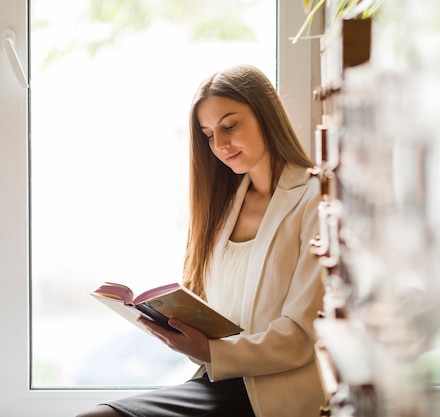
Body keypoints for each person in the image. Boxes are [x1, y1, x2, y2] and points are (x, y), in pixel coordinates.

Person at [77, 64, 325, 417]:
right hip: (219, 380)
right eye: (209, 134)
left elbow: (299, 338)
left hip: (274, 391)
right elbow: (217, 318)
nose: (220, 144)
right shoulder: (223, 208)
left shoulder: (314, 199)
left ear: (266, 115)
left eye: (229, 125)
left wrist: (211, 351)